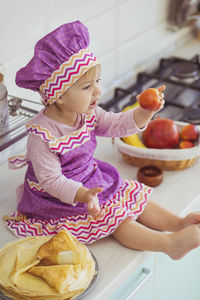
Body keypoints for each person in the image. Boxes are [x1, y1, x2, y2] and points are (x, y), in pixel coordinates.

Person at [6, 21, 200, 260]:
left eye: (98, 81)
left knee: (132, 193)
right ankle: (169, 244)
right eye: (87, 86)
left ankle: (178, 223)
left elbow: (116, 124)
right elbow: (51, 180)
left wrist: (144, 112)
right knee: (115, 219)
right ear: (58, 97)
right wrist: (83, 195)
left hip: (91, 180)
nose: (98, 91)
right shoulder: (42, 135)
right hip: (59, 198)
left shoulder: (87, 113)